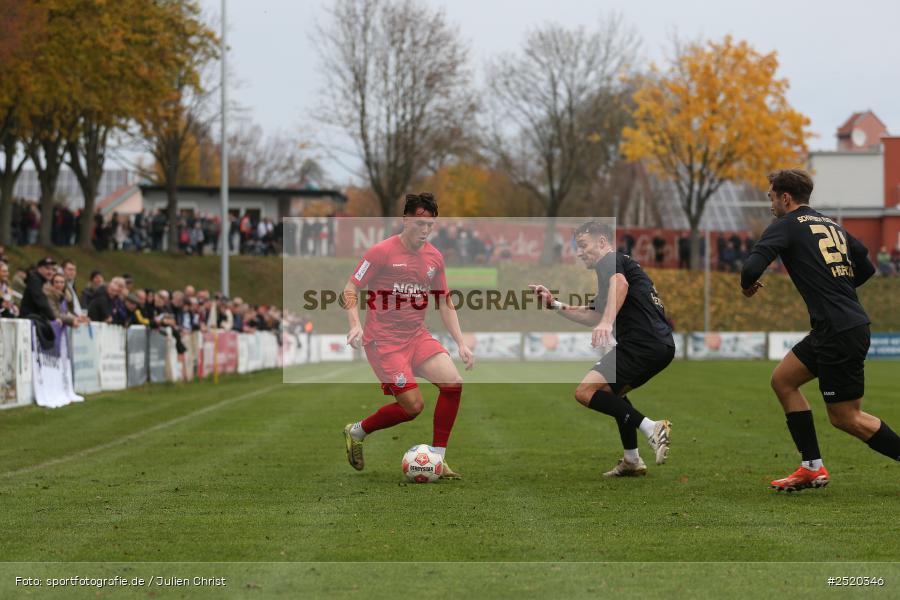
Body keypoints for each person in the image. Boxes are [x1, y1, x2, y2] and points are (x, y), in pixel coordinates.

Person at [741, 169, 900, 492]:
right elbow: (866, 267)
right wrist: (838, 286)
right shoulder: (830, 223)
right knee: (783, 381)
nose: (770, 203)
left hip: (839, 331)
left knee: (846, 417)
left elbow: (751, 267)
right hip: (839, 326)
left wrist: (747, 285)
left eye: (771, 196)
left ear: (786, 197)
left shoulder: (785, 225)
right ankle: (812, 467)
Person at [341, 193, 474, 478]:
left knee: (453, 384)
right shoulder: (380, 252)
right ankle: (357, 431)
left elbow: (444, 302)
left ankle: (437, 459)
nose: (424, 230)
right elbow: (350, 288)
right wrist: (354, 323)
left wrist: (461, 343)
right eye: (419, 223)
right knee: (413, 408)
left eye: (430, 225)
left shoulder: (434, 257)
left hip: (417, 336)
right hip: (384, 342)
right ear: (405, 220)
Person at [529, 221, 674, 477]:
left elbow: (621, 286)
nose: (579, 252)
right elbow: (593, 316)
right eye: (577, 247)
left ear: (603, 243)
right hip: (659, 346)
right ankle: (632, 460)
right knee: (610, 394)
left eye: (583, 245)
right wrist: (554, 304)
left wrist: (608, 323)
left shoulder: (610, 261)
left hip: (642, 344)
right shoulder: (616, 266)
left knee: (585, 392)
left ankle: (652, 427)